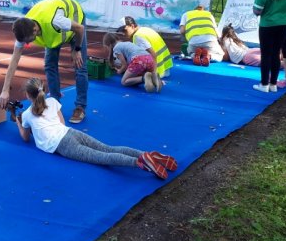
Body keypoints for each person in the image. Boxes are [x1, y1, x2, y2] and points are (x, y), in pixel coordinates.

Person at [14, 77, 177, 180]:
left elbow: (25, 137)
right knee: (108, 148)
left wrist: (18, 122)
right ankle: (145, 154)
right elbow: (62, 124)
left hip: (62, 144)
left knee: (101, 157)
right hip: (70, 133)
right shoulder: (52, 102)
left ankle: (140, 163)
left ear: (28, 95)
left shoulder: (27, 114)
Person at [0, 0, 88, 124]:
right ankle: (54, 102)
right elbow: (14, 61)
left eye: (29, 40)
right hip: (54, 35)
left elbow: (80, 29)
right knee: (49, 65)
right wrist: (5, 90)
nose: (28, 44)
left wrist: (77, 49)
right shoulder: (23, 28)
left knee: (80, 66)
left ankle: (80, 107)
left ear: (35, 30)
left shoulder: (56, 21)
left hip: (75, 23)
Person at [220, 24, 286, 79]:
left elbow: (225, 55)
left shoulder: (225, 40)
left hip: (246, 57)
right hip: (252, 51)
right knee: (276, 56)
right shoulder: (236, 40)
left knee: (275, 64)